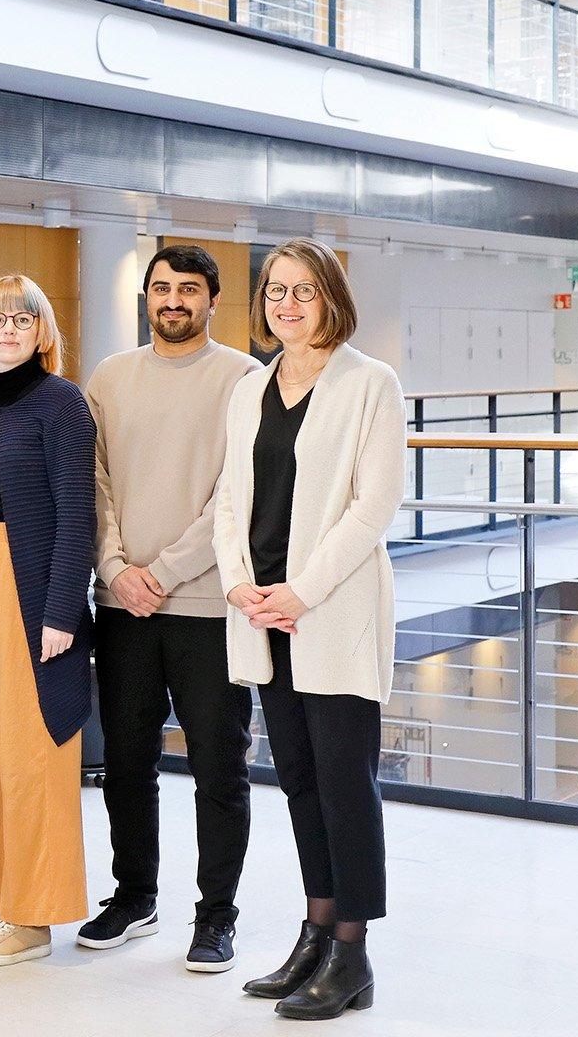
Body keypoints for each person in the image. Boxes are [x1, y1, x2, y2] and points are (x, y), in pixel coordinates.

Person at [214, 238, 401, 1021]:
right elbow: (230, 499)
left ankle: (352, 952)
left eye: (304, 291)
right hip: (266, 615)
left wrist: (302, 591)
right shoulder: (250, 389)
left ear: (331, 297)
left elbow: (375, 505)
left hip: (333, 613)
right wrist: (238, 583)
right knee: (296, 778)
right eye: (274, 291)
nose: (286, 305)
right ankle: (316, 929)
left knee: (343, 783)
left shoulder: (370, 384)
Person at [79, 246, 260, 972]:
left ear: (214, 299)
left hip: (209, 609)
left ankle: (216, 915)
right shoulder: (110, 376)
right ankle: (134, 897)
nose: (173, 300)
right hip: (123, 607)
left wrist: (167, 570)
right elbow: (90, 480)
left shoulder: (245, 377)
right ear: (146, 298)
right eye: (162, 288)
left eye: (189, 289)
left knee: (220, 769)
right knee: (126, 764)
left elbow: (237, 494)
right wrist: (118, 570)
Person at [0, 275, 94, 967]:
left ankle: (34, 921)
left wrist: (62, 608)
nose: (7, 330)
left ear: (42, 330)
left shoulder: (62, 404)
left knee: (33, 752)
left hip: (30, 586)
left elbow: (76, 513)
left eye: (21, 319)